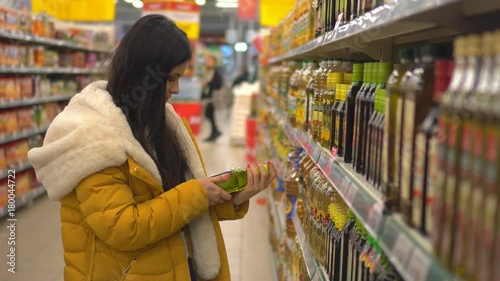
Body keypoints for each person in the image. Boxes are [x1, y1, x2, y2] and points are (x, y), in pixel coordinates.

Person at [27, 15, 276, 281]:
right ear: (144, 74)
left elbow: (176, 205)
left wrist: (236, 196)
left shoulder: (160, 124)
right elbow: (125, 227)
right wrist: (197, 193)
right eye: (170, 79)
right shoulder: (94, 138)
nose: (177, 89)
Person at [201, 54, 223, 142]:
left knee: (210, 114)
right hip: (208, 97)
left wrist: (207, 84)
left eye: (209, 60)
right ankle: (215, 131)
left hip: (213, 98)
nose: (207, 62)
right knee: (209, 114)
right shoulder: (208, 72)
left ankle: (215, 132)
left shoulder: (216, 73)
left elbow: (218, 84)